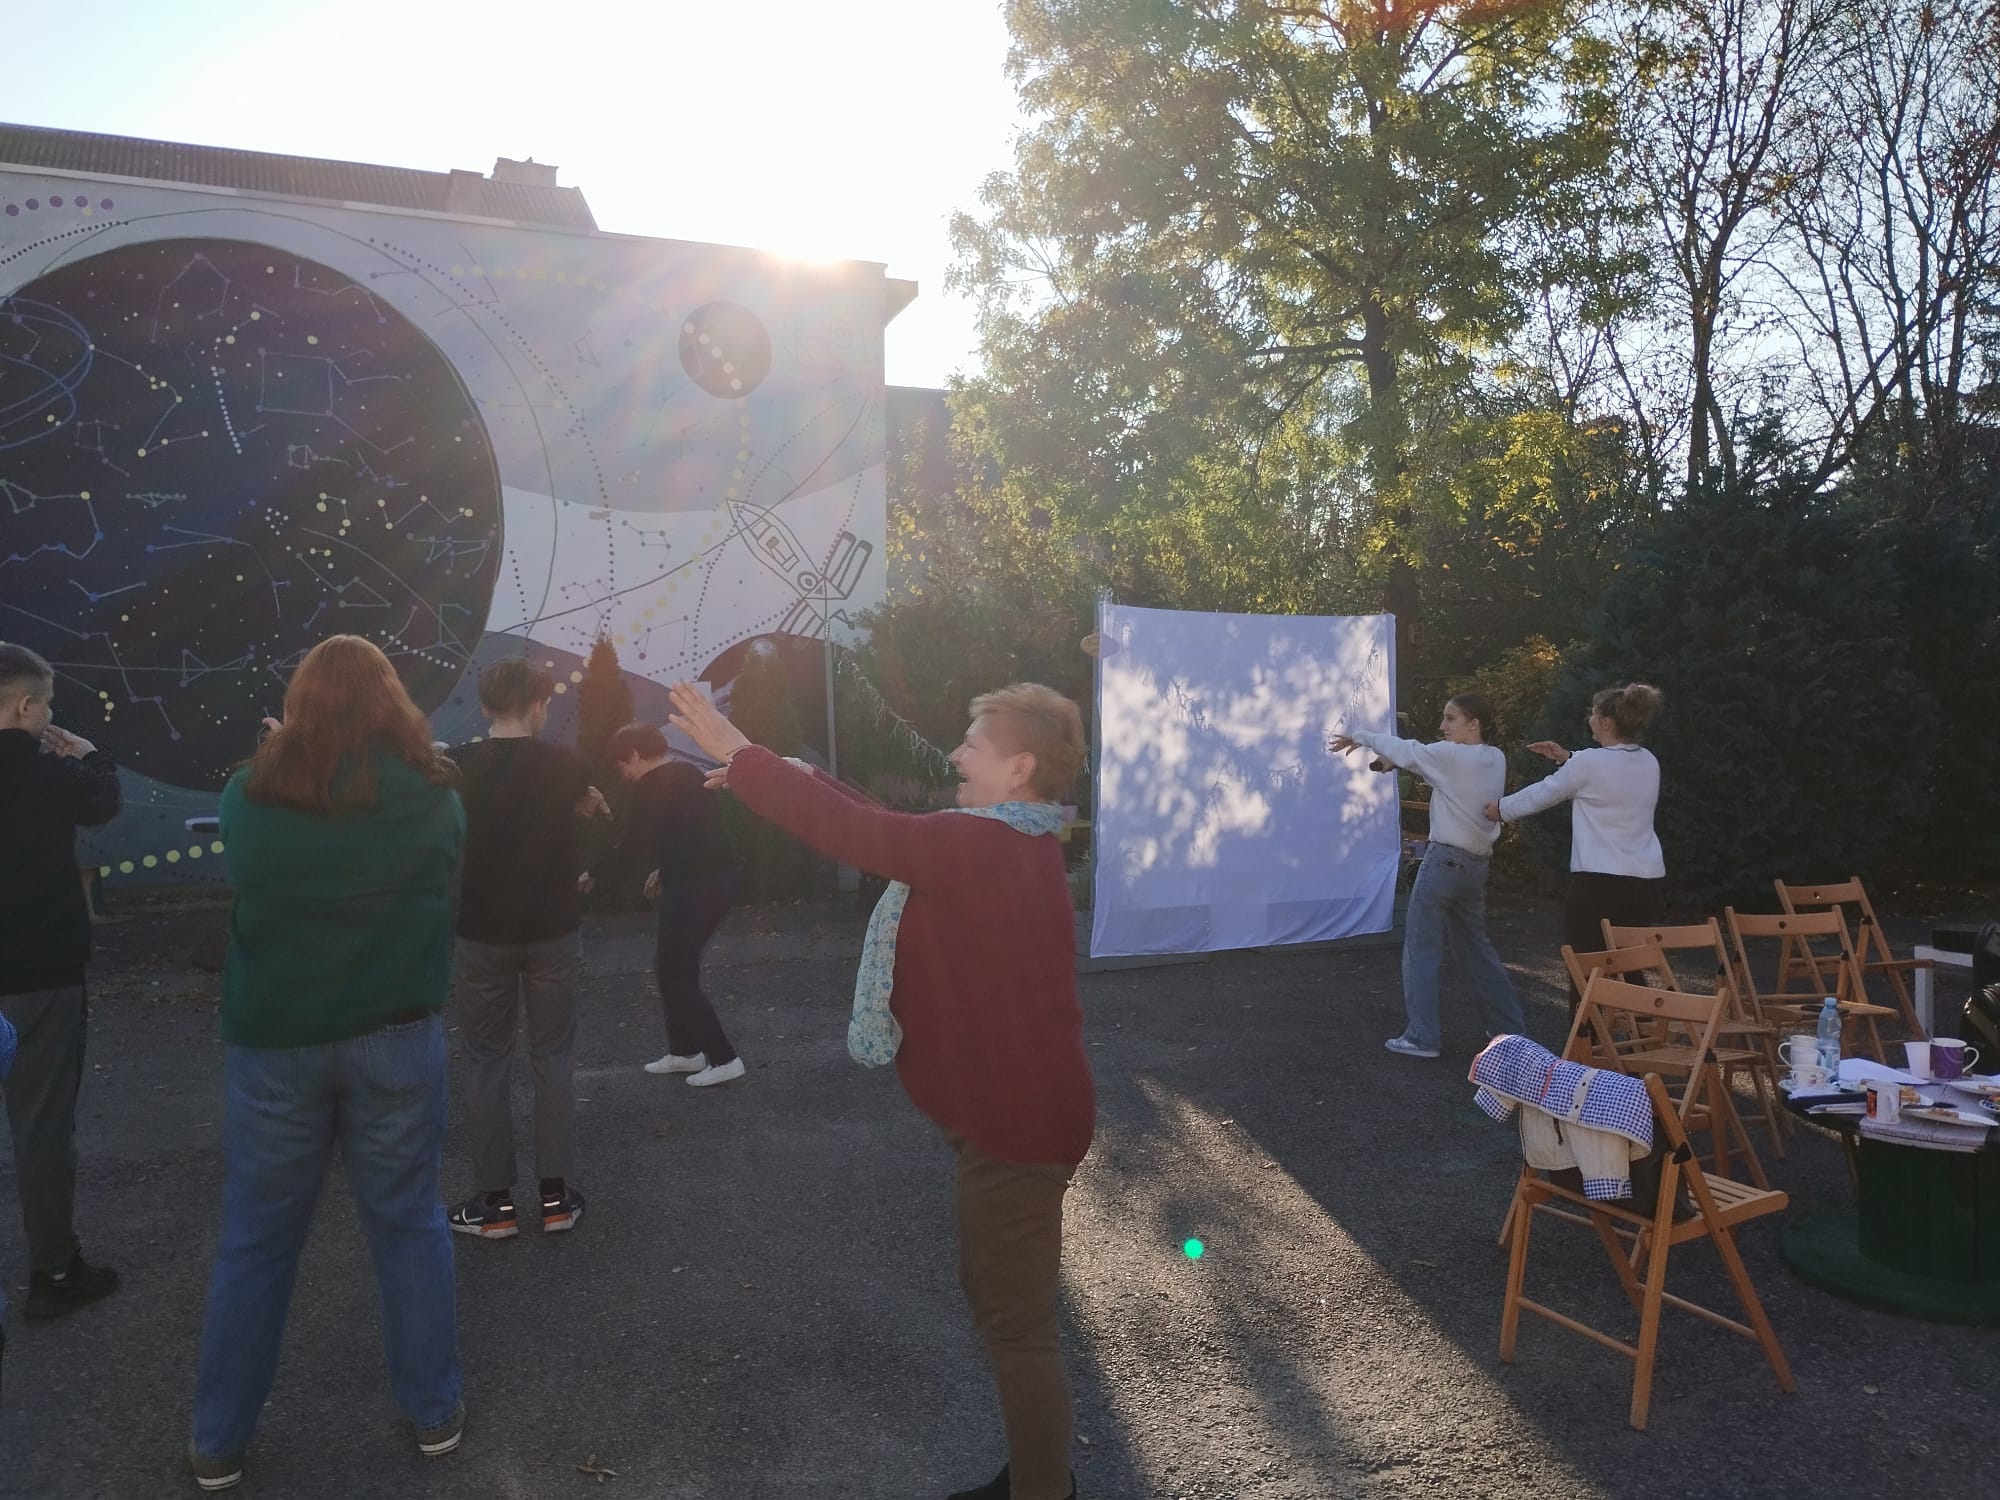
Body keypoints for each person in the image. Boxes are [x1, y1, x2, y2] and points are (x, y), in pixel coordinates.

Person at [668, 679, 1093, 1500]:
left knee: (1015, 1324)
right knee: (1008, 1306)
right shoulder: (1001, 839)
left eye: (974, 742)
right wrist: (788, 768)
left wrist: (744, 754)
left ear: (1021, 768)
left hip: (1016, 1131)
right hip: (1016, 1116)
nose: (956, 753)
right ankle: (1036, 1474)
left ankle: (1043, 1491)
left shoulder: (987, 847)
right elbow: (889, 829)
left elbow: (867, 836)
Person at [187, 635, 466, 1492]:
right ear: (391, 701)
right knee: (409, 1226)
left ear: (300, 706)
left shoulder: (247, 793)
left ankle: (218, 1440)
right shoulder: (434, 795)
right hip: (395, 1033)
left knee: (257, 1244)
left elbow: (251, 851)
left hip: (276, 1042)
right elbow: (443, 868)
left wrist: (277, 750)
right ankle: (433, 1415)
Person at [445, 658, 608, 1240]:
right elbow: (582, 804)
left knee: (487, 1061)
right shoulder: (568, 765)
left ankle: (495, 1207)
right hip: (553, 933)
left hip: (481, 935)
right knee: (553, 1059)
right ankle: (557, 1200)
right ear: (539, 705)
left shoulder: (456, 767)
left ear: (486, 707)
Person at [0, 641, 122, 1321]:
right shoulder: (51, 777)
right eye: (45, 702)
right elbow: (103, 800)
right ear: (26, 706)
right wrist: (87, 753)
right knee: (41, 1129)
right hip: (39, 976)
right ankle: (53, 1269)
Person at [1330, 693, 1525, 1058]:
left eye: (1450, 718)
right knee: (1477, 951)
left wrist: (1360, 734)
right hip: (1476, 867)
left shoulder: (1451, 755)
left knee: (1421, 948)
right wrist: (1394, 764)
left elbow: (1413, 750)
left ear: (1474, 724)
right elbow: (1433, 767)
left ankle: (1422, 1038)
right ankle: (1510, 1032)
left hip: (1443, 864)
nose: (1442, 726)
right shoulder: (1494, 758)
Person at [1484, 682, 1666, 1004]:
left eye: (1594, 713)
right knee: (1630, 967)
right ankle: (1641, 1044)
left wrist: (1500, 809)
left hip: (1599, 884)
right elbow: (1609, 770)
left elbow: (1544, 793)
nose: (1590, 718)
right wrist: (1567, 757)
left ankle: (1588, 1048)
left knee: (1587, 971)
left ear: (1607, 723)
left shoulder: (1589, 764)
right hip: (1646, 882)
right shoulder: (1649, 761)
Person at [603, 720, 745, 1088]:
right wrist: (665, 871)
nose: (626, 775)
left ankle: (724, 1058)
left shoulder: (652, 785)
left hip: (698, 886)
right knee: (675, 967)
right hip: (713, 880)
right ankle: (685, 1053)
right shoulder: (688, 773)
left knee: (674, 971)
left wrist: (592, 874)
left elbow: (632, 843)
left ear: (634, 755)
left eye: (623, 766)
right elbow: (688, 835)